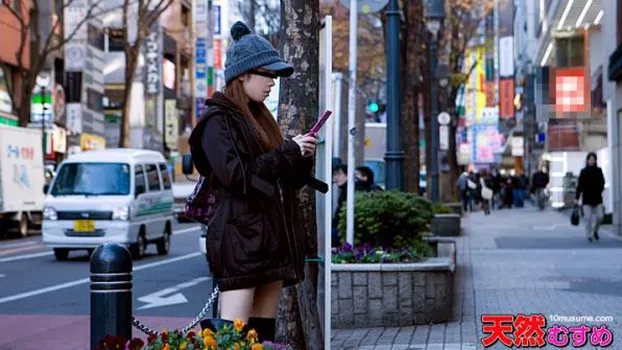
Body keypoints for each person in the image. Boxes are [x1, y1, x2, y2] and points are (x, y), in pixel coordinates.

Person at [187, 21, 326, 342]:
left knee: (261, 337)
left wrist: (299, 154)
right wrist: (287, 151)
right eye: (267, 75)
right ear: (242, 75)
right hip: (240, 241)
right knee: (233, 337)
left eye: (275, 77)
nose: (272, 83)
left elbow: (282, 180)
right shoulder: (217, 122)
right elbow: (239, 177)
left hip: (271, 240)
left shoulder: (260, 119)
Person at [575, 152, 606, 242]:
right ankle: (589, 235)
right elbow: (579, 186)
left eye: (593, 159)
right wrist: (576, 198)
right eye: (590, 159)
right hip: (587, 199)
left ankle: (595, 230)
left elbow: (602, 182)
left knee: (600, 217)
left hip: (597, 198)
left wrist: (600, 189)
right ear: (587, 160)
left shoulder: (599, 171)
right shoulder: (583, 172)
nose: (591, 161)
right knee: (587, 218)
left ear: (595, 161)